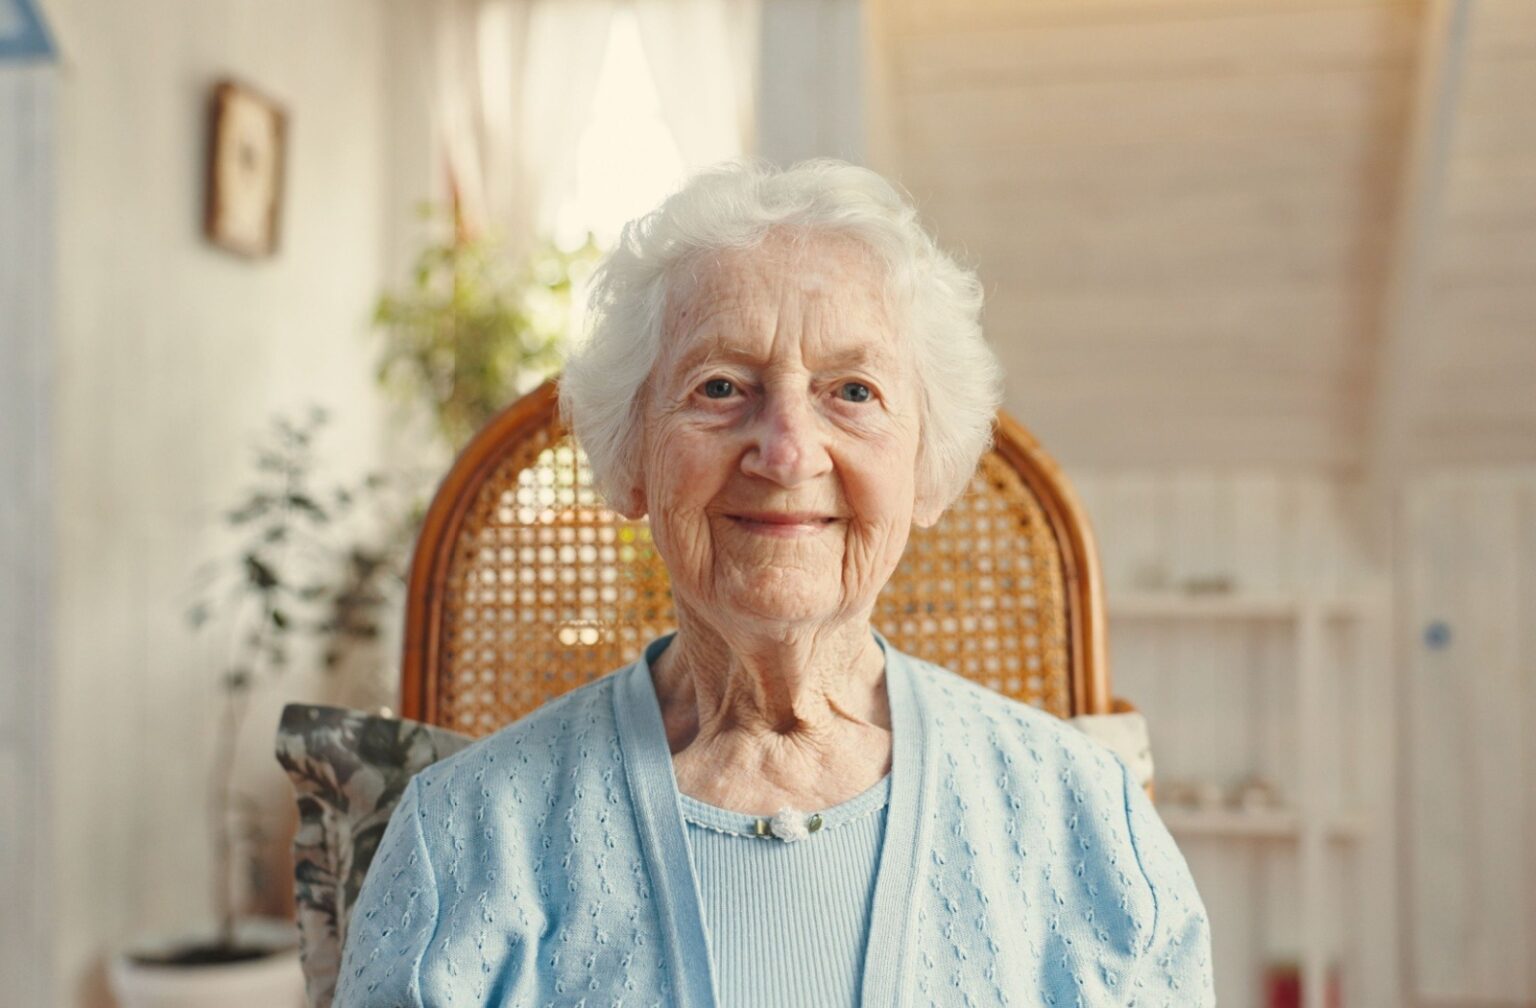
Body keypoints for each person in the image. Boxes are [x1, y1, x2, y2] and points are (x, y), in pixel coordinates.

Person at [333, 159, 1214, 1007]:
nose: (787, 451)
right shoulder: (462, 842)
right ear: (631, 457)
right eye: (721, 387)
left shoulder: (1087, 822)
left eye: (853, 392)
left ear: (928, 467)